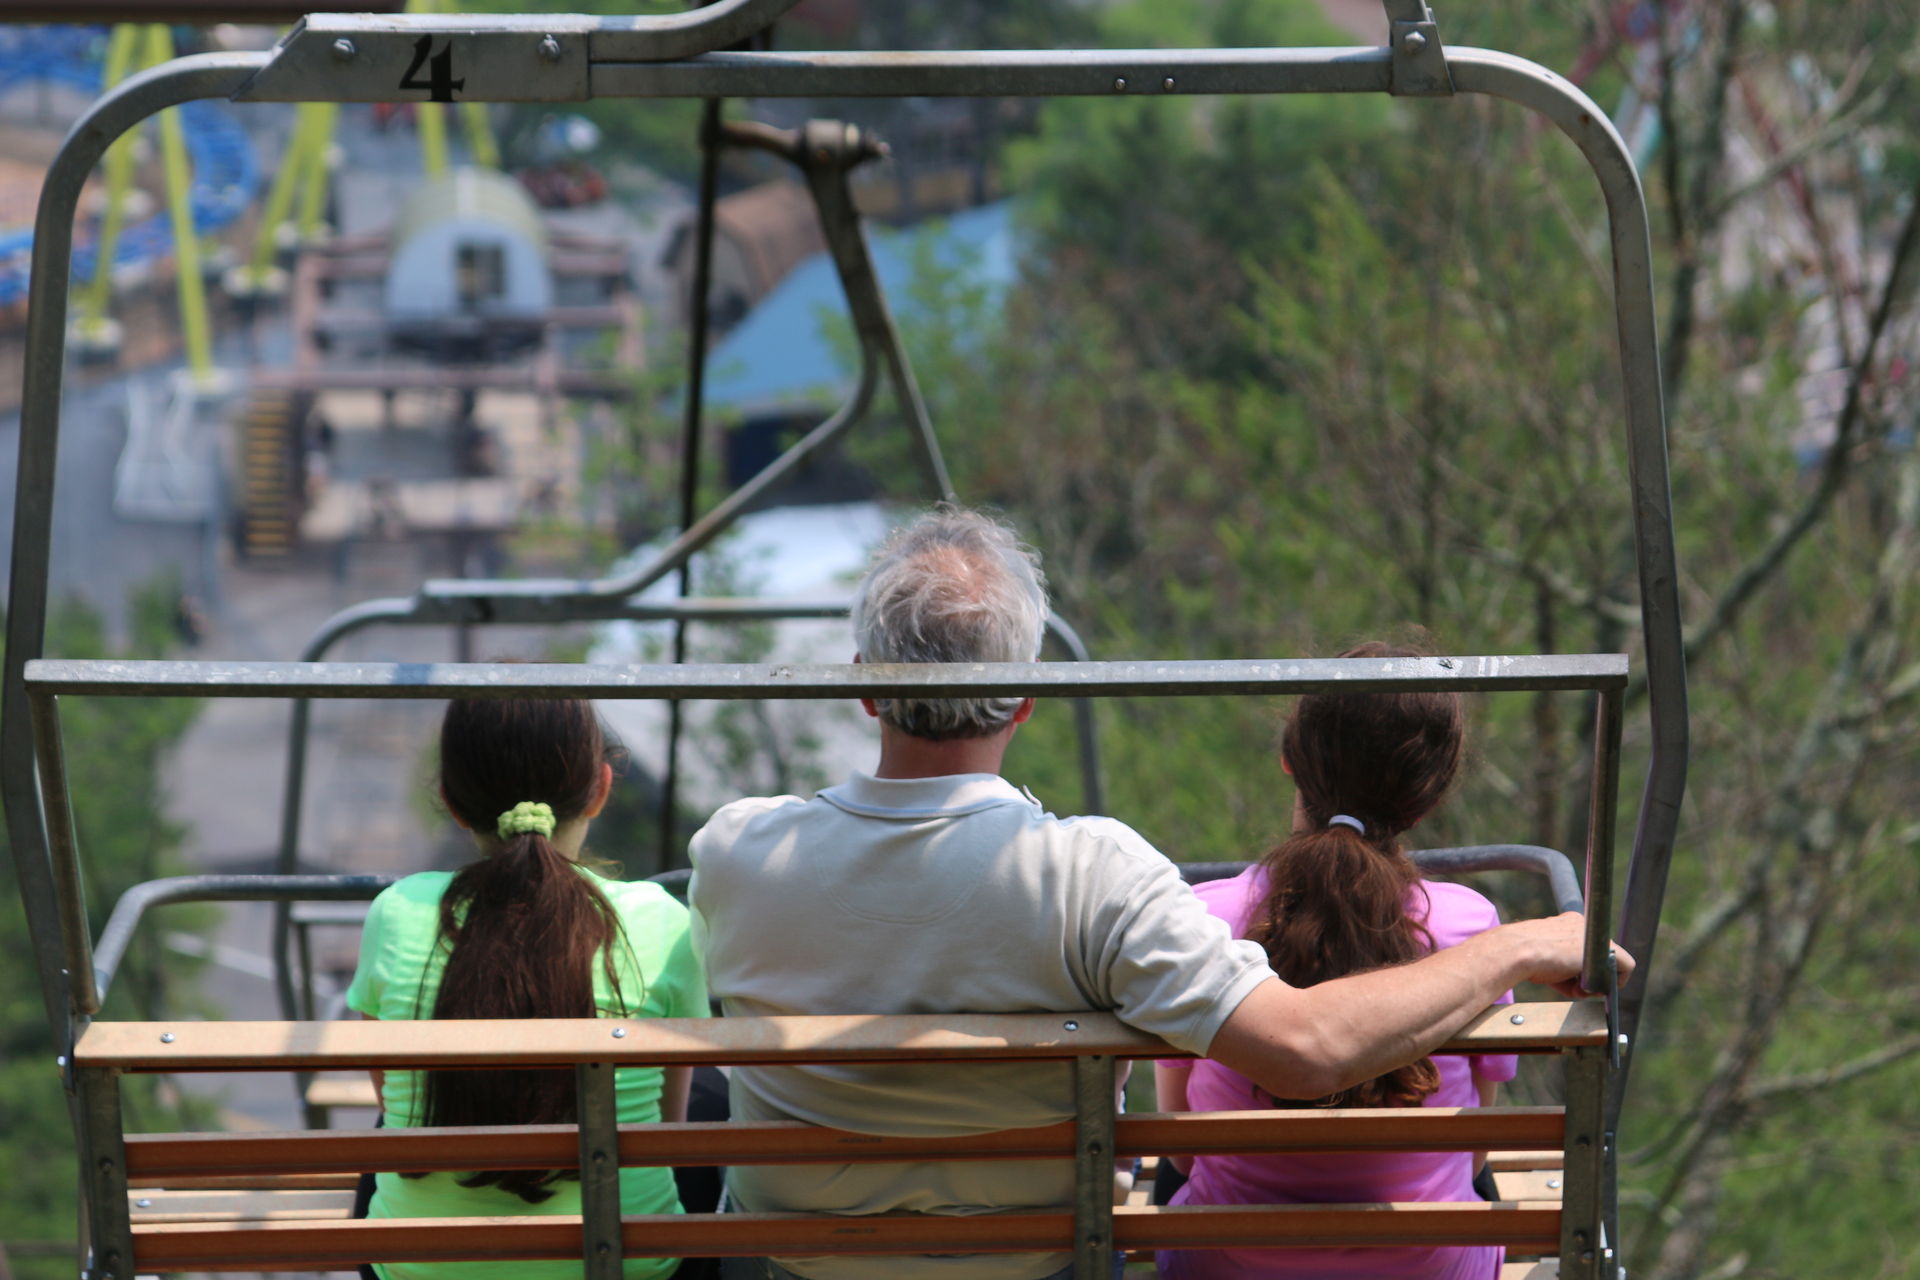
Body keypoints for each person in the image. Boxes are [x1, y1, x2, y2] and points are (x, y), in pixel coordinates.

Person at [688, 505, 1627, 1280]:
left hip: (795, 1265)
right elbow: (1305, 1052)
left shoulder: (733, 854)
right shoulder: (1093, 874)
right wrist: (1517, 944)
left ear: (864, 689)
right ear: (1027, 695)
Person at [1154, 641, 1514, 1280]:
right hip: (1425, 1268)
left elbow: (1181, 1146)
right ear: (1427, 800)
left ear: (1289, 761)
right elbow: (1475, 1147)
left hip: (1226, 1264)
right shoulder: (1470, 929)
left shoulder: (1204, 919)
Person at [346, 697, 708, 1280]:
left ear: (451, 802)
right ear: (601, 788)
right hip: (628, 1267)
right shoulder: (661, 920)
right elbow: (669, 1127)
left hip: (420, 1270)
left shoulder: (397, 911)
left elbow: (393, 1102)